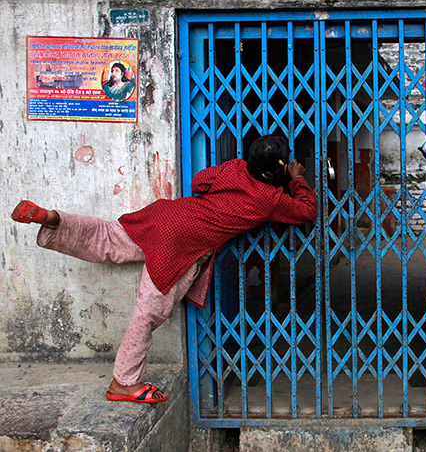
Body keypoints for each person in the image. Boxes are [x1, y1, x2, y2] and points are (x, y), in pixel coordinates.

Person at [11, 135, 316, 404]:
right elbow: (306, 210)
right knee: (148, 313)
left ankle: (56, 219)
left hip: (165, 216)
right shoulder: (271, 199)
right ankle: (124, 381)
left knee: (108, 236)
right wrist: (296, 179)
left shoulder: (234, 168)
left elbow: (198, 183)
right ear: (279, 168)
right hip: (184, 245)